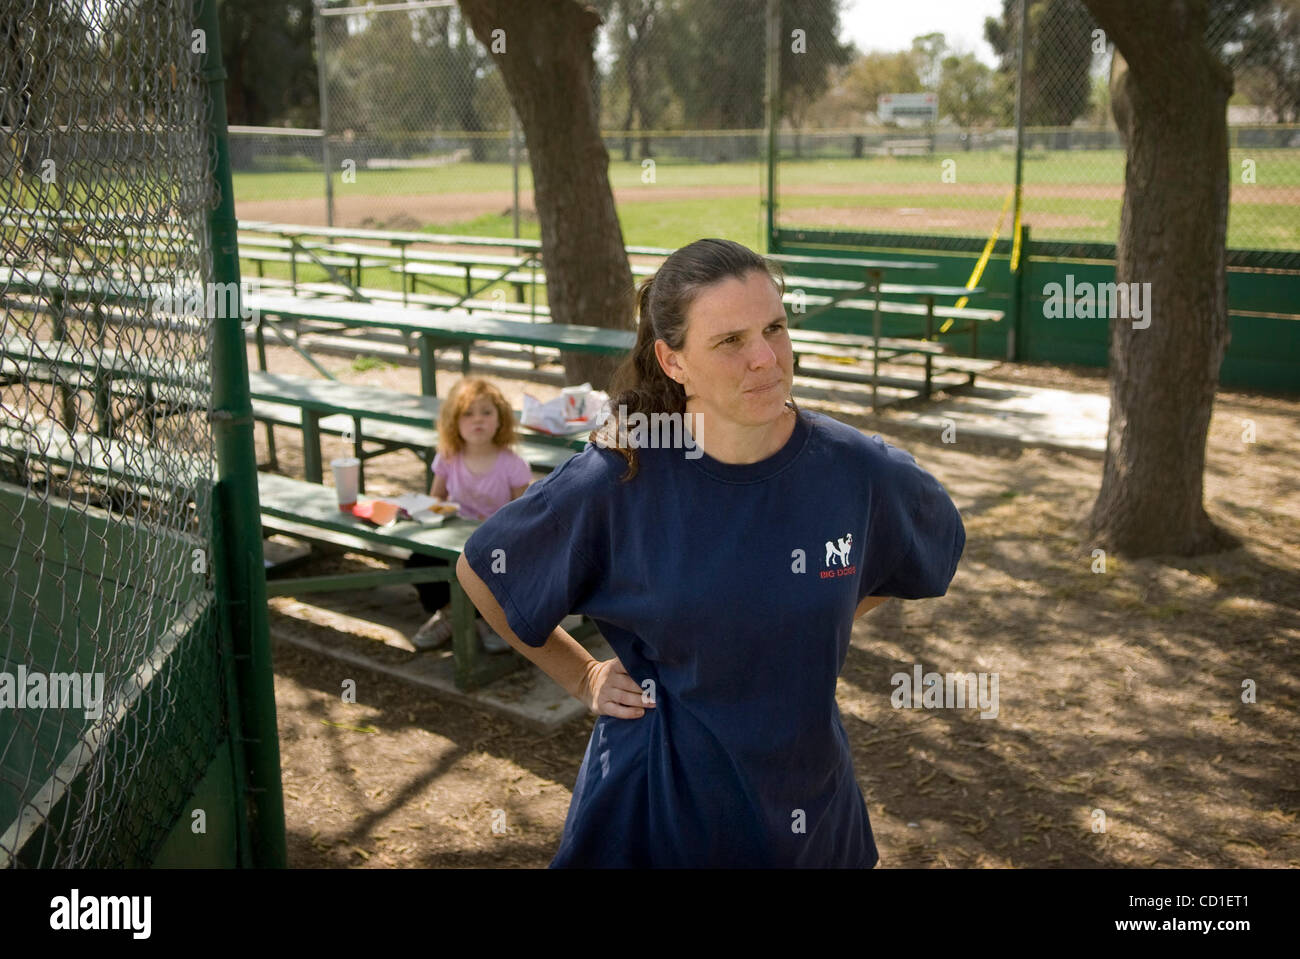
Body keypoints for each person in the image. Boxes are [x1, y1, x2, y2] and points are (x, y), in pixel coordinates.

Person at [455, 238, 965, 867]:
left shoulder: (857, 470)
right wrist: (584, 675)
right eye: (729, 341)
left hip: (807, 810)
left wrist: (811, 612)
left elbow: (931, 542)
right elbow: (484, 567)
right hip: (656, 810)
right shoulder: (622, 475)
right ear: (673, 362)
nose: (764, 359)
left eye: (774, 328)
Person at [407, 377, 532, 653]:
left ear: (501, 419)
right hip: (454, 537)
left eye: (487, 412)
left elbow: (523, 515)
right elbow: (436, 500)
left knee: (495, 571)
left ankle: (489, 620)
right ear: (454, 421)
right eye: (468, 413)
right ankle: (451, 613)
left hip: (494, 542)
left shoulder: (513, 464)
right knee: (418, 561)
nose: (478, 420)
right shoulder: (448, 457)